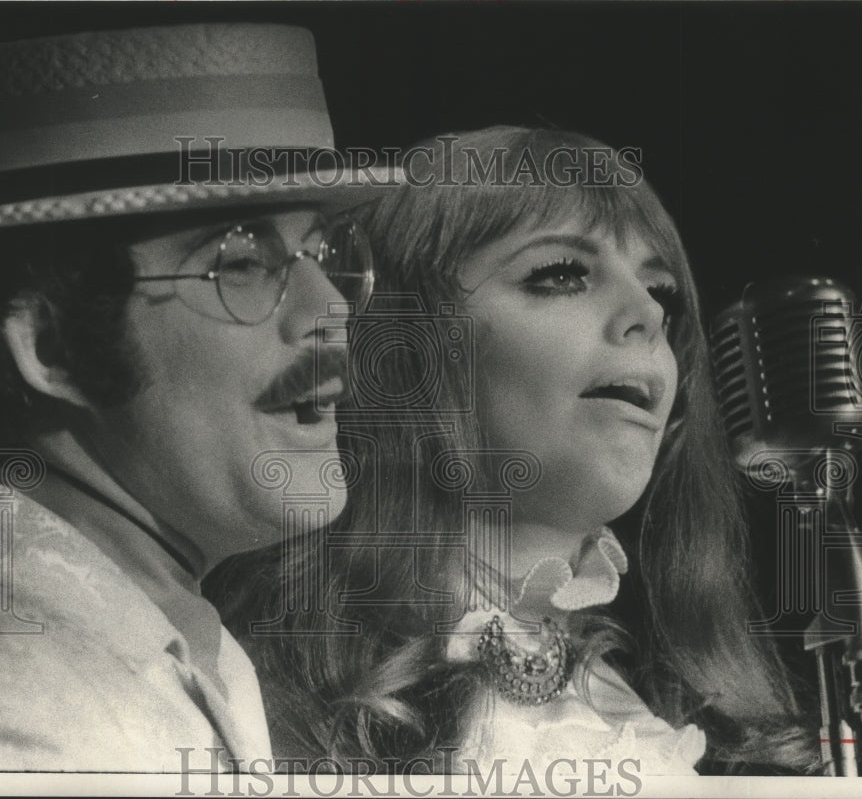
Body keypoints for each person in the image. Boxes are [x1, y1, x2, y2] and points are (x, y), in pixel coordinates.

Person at [209, 127, 821, 778]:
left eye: (663, 293)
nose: (646, 311)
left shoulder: (683, 726)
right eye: (560, 275)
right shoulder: (237, 705)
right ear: (403, 343)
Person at [0, 22, 387, 772]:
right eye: (239, 261)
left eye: (323, 252)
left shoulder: (169, 638)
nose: (329, 306)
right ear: (53, 345)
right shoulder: (5, 715)